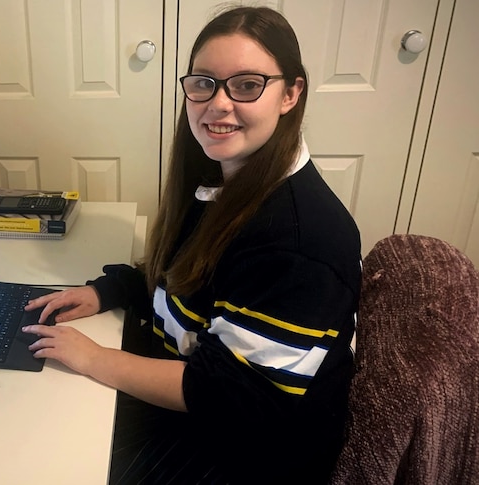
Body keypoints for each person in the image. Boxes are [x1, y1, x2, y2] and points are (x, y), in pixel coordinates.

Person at [22, 6, 361, 484]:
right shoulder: (224, 175)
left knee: (56, 457)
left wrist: (96, 358)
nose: (217, 104)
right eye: (204, 82)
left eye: (246, 85)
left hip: (246, 452)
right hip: (203, 398)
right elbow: (189, 281)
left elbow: (232, 394)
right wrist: (109, 291)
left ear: (291, 93)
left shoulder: (299, 241)